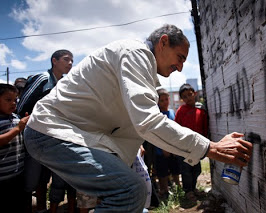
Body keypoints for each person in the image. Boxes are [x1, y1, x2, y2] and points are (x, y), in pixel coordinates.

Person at [23, 24, 252, 212]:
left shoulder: (146, 73)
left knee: (132, 199)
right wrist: (211, 148)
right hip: (51, 131)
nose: (181, 67)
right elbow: (149, 122)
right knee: (129, 191)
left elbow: (134, 123)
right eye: (179, 57)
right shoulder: (136, 53)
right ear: (163, 42)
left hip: (72, 135)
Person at [17, 49, 76, 213]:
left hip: (51, 137)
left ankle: (42, 209)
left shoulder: (64, 83)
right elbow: (22, 106)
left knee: (44, 178)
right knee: (31, 180)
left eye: (72, 60)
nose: (70, 63)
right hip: (34, 136)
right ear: (54, 61)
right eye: (66, 59)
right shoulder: (43, 78)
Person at [174, 83, 208, 201]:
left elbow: (204, 127)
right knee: (186, 170)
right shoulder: (181, 111)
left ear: (195, 93)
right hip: (184, 147)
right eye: (185, 96)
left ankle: (193, 188)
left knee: (197, 169)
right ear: (182, 99)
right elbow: (176, 128)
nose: (188, 98)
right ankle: (188, 191)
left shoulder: (201, 110)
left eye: (190, 94)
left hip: (197, 146)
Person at [0, 84, 29, 212]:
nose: (13, 103)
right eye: (8, 100)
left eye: (15, 100)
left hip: (17, 174)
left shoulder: (16, 118)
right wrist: (18, 128)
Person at [155, 88, 180, 199]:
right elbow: (157, 134)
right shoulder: (156, 115)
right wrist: (163, 148)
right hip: (160, 150)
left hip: (173, 148)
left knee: (175, 169)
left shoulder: (171, 112)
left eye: (166, 99)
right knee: (162, 172)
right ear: (157, 102)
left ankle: (177, 188)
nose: (165, 102)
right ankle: (164, 191)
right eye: (162, 100)